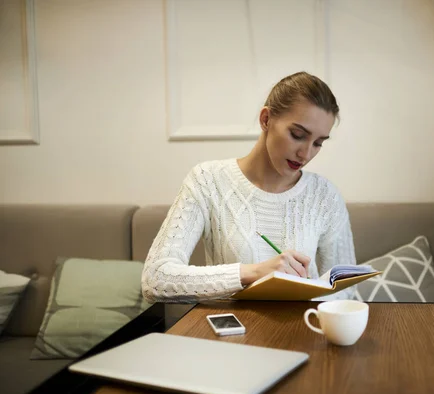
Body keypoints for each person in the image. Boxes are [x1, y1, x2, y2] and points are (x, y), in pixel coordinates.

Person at [142, 71, 357, 303]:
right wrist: (253, 272)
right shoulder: (207, 180)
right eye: (297, 135)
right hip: (229, 333)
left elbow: (345, 290)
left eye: (318, 143)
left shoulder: (324, 196)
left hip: (304, 329)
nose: (306, 154)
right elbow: (155, 279)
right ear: (266, 119)